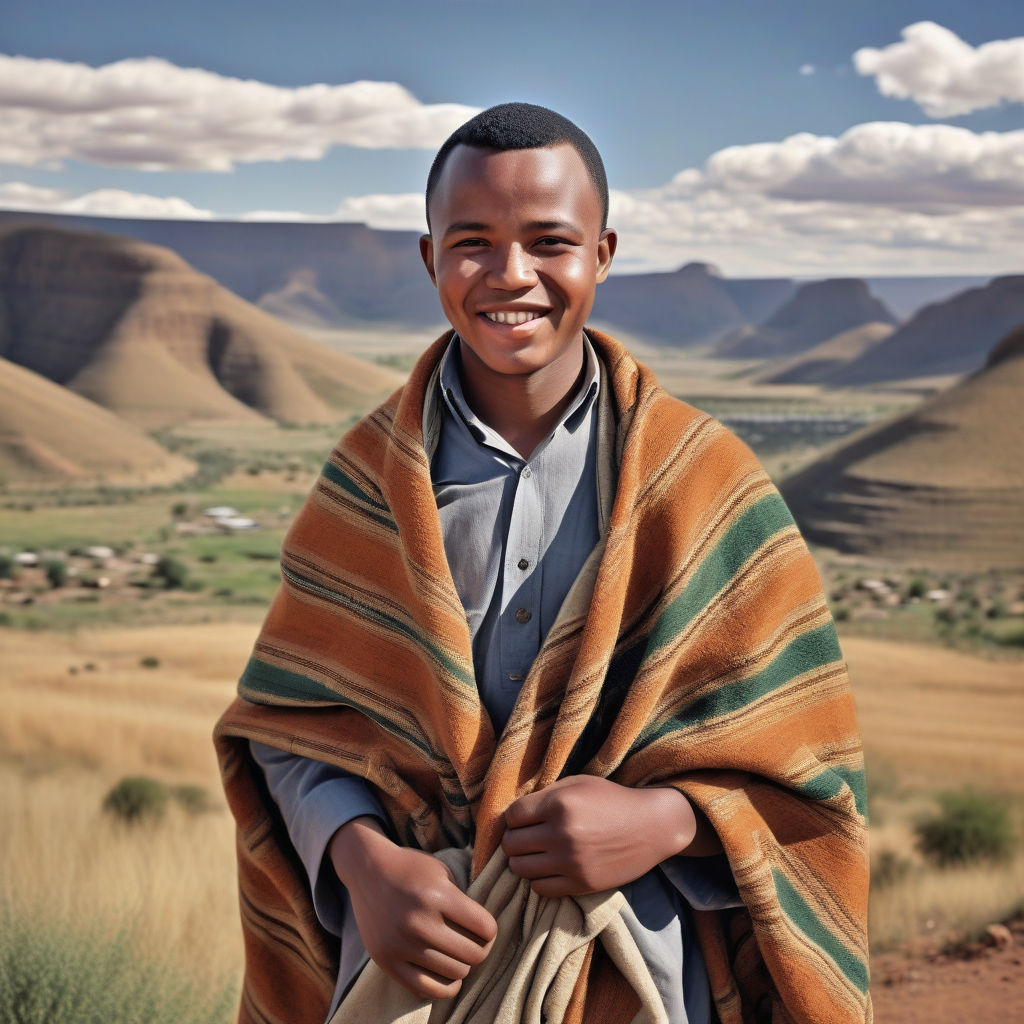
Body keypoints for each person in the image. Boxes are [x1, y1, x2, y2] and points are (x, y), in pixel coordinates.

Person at [215, 103, 871, 1024]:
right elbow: (292, 727)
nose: (510, 275)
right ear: (429, 257)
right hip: (413, 961)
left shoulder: (703, 481)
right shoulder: (366, 481)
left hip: (635, 964)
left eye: (549, 242)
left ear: (601, 253)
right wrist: (363, 863)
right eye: (473, 241)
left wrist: (665, 823)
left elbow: (808, 768)